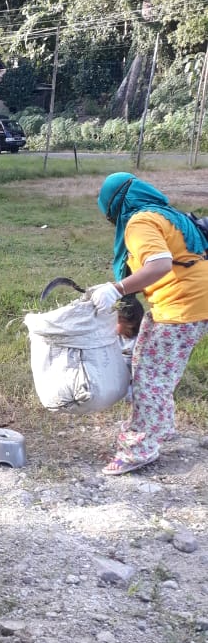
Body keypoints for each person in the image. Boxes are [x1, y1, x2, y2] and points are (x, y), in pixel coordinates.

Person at [89, 173, 208, 475]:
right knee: (148, 364)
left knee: (149, 379)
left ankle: (138, 449)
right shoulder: (163, 214)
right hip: (187, 300)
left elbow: (160, 264)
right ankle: (162, 426)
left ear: (116, 207)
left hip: (183, 304)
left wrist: (117, 289)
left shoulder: (139, 223)